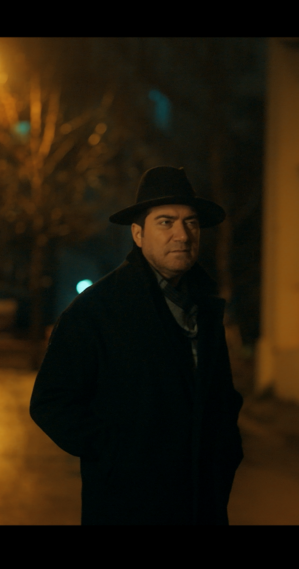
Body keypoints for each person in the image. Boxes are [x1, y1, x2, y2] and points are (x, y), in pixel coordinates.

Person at [30, 166, 244, 525]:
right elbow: (51, 403)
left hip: (201, 510)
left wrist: (224, 458)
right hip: (126, 510)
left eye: (191, 223)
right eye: (166, 222)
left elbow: (221, 399)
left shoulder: (205, 308)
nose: (182, 234)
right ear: (138, 234)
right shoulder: (96, 311)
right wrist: (119, 455)